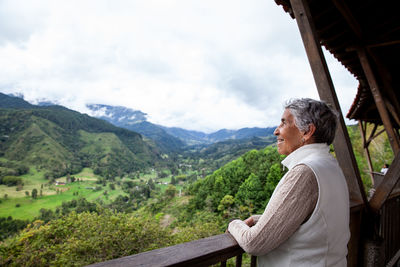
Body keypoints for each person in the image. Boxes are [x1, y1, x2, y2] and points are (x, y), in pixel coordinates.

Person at [227, 98, 350, 267]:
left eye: (284, 123)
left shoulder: (304, 173)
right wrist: (260, 221)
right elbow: (313, 221)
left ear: (307, 131)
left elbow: (254, 243)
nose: (276, 131)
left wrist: (234, 223)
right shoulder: (329, 165)